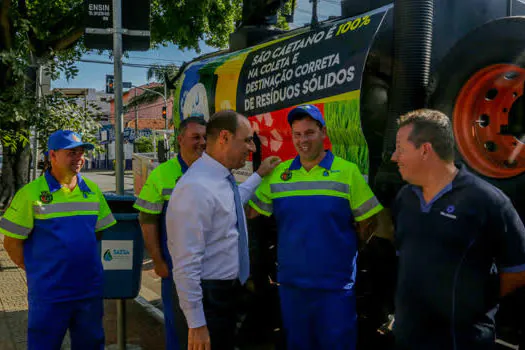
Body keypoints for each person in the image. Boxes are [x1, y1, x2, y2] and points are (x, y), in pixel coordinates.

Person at [247, 104, 384, 350]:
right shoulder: (279, 174)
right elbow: (250, 212)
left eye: (309, 133)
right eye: (297, 134)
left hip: (335, 286)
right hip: (292, 285)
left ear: (323, 132)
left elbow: (370, 220)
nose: (303, 140)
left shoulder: (347, 172)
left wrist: (346, 247)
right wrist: (257, 175)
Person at [390, 109, 525, 349]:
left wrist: (474, 300)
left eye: (400, 149)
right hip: (408, 338)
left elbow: (518, 269)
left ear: (425, 150)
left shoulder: (488, 201)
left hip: (461, 341)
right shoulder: (405, 198)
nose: (393, 157)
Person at [165, 110, 281, 350]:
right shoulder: (196, 188)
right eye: (247, 140)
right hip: (207, 298)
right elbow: (186, 264)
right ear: (224, 138)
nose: (253, 149)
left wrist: (259, 175)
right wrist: (196, 324)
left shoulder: (218, 180)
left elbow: (232, 201)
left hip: (223, 294)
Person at [0, 130, 116, 350]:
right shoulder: (30, 194)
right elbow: (11, 243)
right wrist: (35, 268)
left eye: (81, 152)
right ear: (52, 156)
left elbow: (97, 232)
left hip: (88, 290)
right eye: (71, 153)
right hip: (50, 293)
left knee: (91, 344)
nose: (79, 158)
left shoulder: (92, 190)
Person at [133, 116, 206, 350]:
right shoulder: (162, 174)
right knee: (179, 327)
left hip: (211, 268)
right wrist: (157, 260)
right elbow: (147, 219)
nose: (202, 142)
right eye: (196, 137)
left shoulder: (215, 170)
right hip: (177, 269)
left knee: (208, 329)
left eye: (205, 137)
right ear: (180, 139)